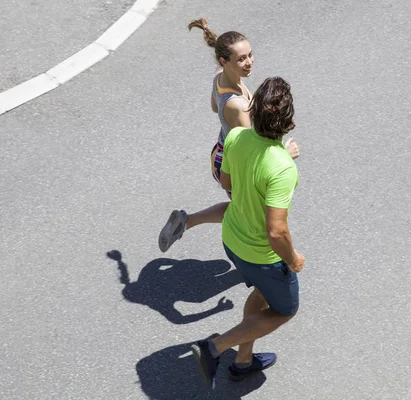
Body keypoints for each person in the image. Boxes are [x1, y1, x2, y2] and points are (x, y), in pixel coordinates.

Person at [190, 77, 305, 389]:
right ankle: (214, 348)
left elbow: (226, 184)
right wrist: (293, 259)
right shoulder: (282, 167)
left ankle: (243, 362)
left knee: (260, 294)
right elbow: (277, 232)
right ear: (290, 121)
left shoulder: (237, 137)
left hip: (232, 241)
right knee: (284, 310)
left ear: (252, 111)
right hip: (262, 256)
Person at [158, 19, 299, 253]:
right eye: (241, 59)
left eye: (250, 55)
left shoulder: (220, 77)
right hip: (234, 162)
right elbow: (251, 153)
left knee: (240, 206)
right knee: (249, 211)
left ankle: (186, 221)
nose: (249, 62)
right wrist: (285, 156)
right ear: (225, 61)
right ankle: (254, 257)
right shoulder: (240, 109)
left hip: (221, 152)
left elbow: (215, 107)